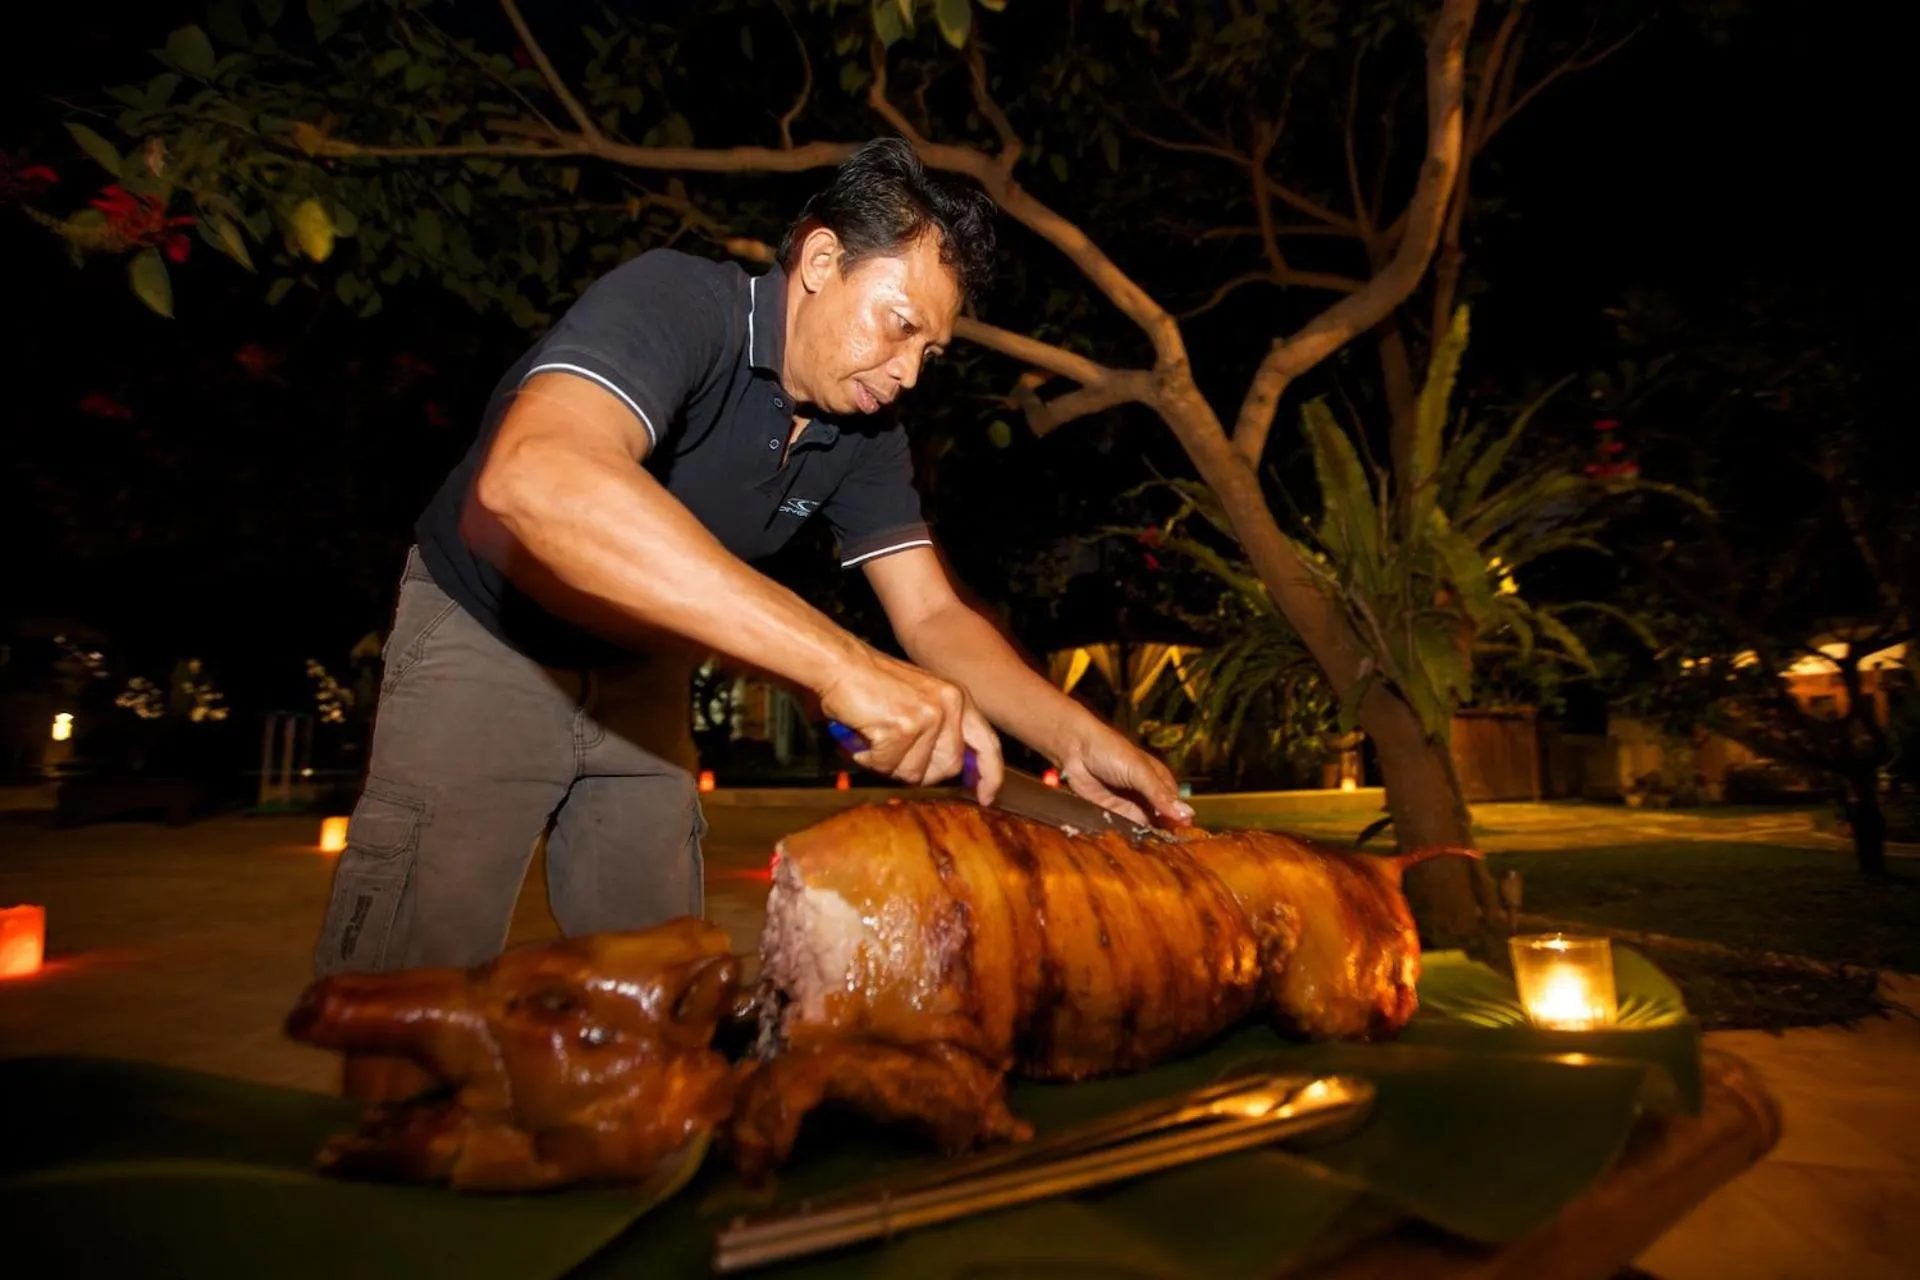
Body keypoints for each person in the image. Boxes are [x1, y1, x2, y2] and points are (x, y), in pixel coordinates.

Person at [313, 137, 1193, 1020]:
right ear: (820, 261)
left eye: (931, 351)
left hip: (643, 675)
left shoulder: (865, 433)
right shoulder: (678, 304)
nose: (908, 372)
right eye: (899, 325)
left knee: (664, 993)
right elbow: (534, 478)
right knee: (404, 1002)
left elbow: (931, 615)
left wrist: (1074, 738)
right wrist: (841, 666)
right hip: (489, 635)